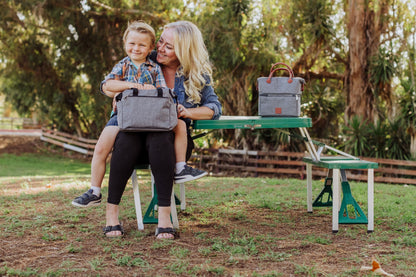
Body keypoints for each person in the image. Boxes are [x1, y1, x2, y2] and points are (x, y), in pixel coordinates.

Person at [104, 20, 221, 239]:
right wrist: (127, 92)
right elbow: (109, 85)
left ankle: (164, 218)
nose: (160, 48)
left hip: (173, 144)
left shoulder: (195, 76)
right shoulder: (142, 61)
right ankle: (111, 216)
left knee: (161, 138)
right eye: (160, 42)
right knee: (126, 139)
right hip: (136, 137)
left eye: (169, 46)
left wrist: (186, 112)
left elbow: (214, 108)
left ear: (184, 51)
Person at [71, 21, 207, 208]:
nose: (137, 48)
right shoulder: (123, 65)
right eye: (161, 42)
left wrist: (181, 108)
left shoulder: (154, 67)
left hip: (153, 118)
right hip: (124, 116)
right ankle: (94, 190)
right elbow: (107, 85)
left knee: (181, 125)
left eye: (142, 45)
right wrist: (134, 88)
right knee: (101, 147)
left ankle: (180, 167)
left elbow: (162, 92)